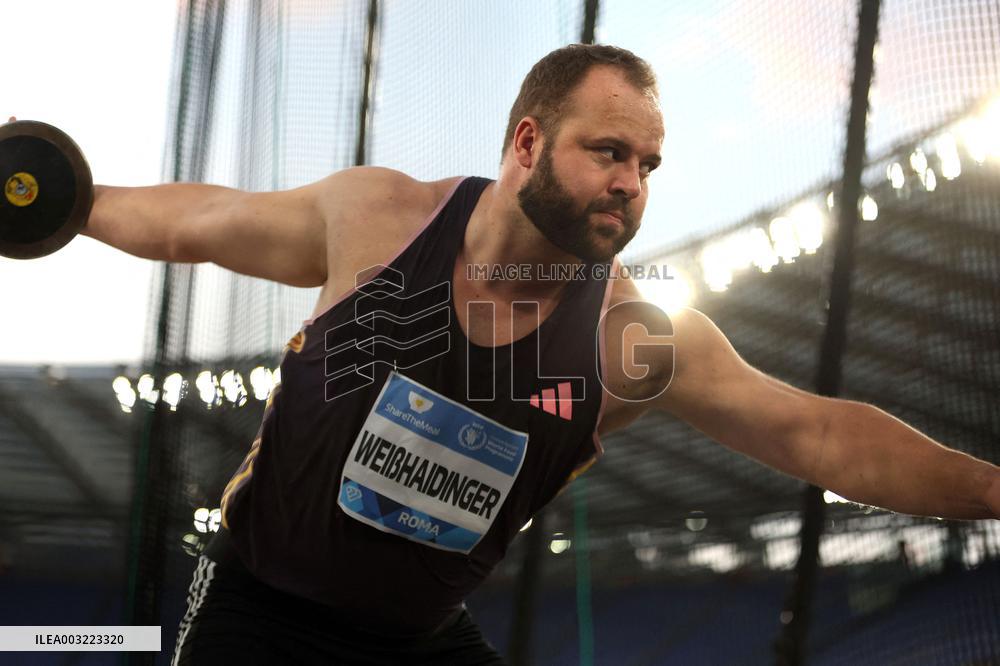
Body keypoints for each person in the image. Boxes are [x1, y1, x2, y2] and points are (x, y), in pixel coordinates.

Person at [14, 43, 999, 664]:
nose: (631, 183)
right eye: (607, 151)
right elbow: (208, 222)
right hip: (256, 611)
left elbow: (817, 432)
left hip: (416, 640)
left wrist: (994, 491)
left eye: (647, 164)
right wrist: (72, 203)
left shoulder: (631, 343)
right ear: (527, 142)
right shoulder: (382, 220)